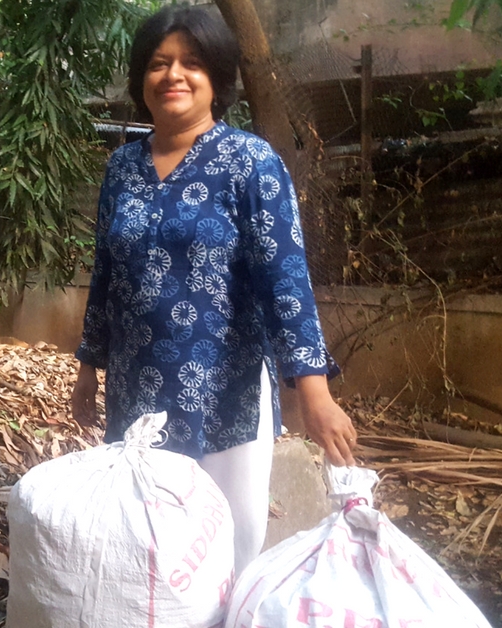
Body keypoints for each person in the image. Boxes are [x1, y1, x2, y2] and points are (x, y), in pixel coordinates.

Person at [70, 4, 357, 573]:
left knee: (222, 548)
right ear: (141, 80)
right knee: (145, 545)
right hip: (137, 393)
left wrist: (315, 392)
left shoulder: (250, 163)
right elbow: (105, 274)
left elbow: (287, 279)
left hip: (225, 395)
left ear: (217, 80)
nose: (173, 75)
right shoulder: (121, 168)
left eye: (191, 63)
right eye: (158, 63)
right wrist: (87, 368)